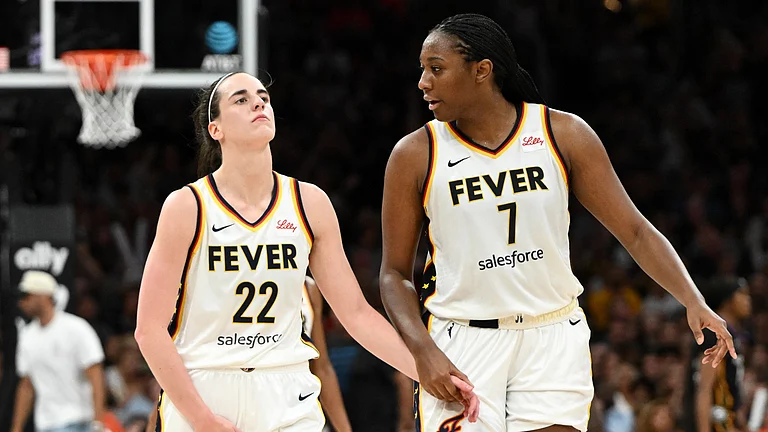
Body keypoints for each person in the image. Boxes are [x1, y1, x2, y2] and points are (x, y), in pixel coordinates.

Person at [379, 13, 737, 432]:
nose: (423, 82)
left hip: (552, 335)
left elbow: (635, 230)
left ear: (482, 71)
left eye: (436, 69)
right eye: (423, 70)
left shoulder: (562, 133)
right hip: (464, 339)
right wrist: (422, 350)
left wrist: (693, 299)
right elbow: (394, 275)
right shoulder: (414, 154)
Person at [134, 72, 478, 432]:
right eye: (240, 99)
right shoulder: (187, 206)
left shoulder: (308, 202)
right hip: (206, 386)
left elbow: (356, 314)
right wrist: (201, 419)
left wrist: (429, 374)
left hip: (287, 387)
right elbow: (149, 330)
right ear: (214, 129)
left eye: (263, 96)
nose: (258, 103)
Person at [11, 270, 106, 432]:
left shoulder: (76, 328)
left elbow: (95, 374)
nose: (21, 302)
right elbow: (26, 385)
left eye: (26, 295)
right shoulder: (27, 335)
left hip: (79, 419)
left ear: (43, 295)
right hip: (45, 424)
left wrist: (98, 420)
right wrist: (16, 428)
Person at [684, 277, 751, 432]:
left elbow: (732, 389)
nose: (748, 300)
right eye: (742, 294)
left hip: (727, 421)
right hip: (715, 423)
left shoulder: (733, 336)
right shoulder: (713, 334)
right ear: (728, 300)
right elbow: (704, 389)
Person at [300, 275, 352, 432]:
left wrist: (344, 429)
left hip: (300, 403)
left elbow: (321, 367)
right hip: (248, 398)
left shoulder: (309, 288)